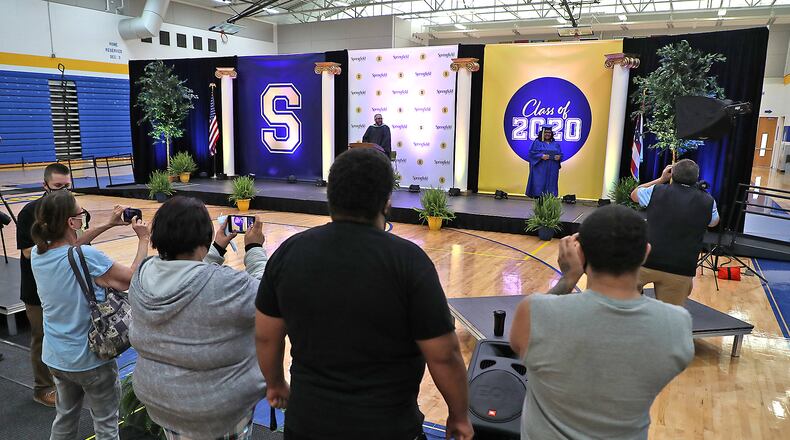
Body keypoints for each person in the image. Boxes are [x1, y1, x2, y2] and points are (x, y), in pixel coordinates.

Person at [255, 148, 473, 440]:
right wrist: (458, 416)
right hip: (389, 428)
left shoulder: (288, 253)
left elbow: (266, 336)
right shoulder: (409, 262)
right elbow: (444, 355)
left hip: (307, 425)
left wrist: (275, 384)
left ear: (330, 195)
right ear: (387, 202)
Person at [509, 205, 694, 440]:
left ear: (581, 254)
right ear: (646, 252)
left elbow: (517, 341)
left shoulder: (536, 312)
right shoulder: (677, 325)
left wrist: (568, 279)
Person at [129, 196, 268, 440]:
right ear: (203, 240)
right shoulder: (225, 284)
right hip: (217, 411)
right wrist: (255, 249)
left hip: (161, 402)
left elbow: (187, 277)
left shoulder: (143, 273)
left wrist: (216, 249)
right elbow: (268, 296)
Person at [30, 190, 149, 440]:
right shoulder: (88, 256)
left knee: (65, 418)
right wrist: (143, 240)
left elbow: (71, 249)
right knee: (106, 424)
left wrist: (108, 224)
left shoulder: (37, 255)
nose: (82, 218)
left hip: (56, 357)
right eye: (80, 214)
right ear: (71, 222)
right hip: (91, 358)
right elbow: (131, 279)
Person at [16, 163, 128, 407]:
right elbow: (29, 251)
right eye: (58, 186)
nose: (63, 191)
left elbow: (73, 246)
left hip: (65, 285)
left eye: (67, 186)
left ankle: (72, 380)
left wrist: (107, 225)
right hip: (39, 288)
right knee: (40, 336)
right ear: (44, 185)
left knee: (70, 333)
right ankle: (42, 388)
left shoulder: (71, 213)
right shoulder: (29, 213)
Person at [630, 159, 719, 305]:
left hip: (646, 261)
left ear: (672, 175)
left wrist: (661, 179)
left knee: (623, 298)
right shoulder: (708, 201)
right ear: (696, 178)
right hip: (681, 267)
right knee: (668, 317)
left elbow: (634, 195)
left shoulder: (656, 191)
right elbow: (714, 222)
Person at [525, 124, 562, 198]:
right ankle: (539, 201)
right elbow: (531, 154)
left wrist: (559, 157)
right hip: (540, 168)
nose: (547, 134)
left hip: (552, 168)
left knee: (551, 186)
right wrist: (541, 156)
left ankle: (549, 203)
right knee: (540, 185)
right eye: (546, 132)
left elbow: (560, 153)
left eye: (549, 133)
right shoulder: (537, 142)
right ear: (542, 133)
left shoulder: (555, 144)